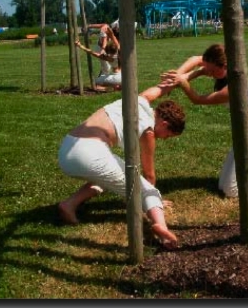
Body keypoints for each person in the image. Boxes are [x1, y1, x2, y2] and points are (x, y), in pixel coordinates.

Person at [57, 84, 186, 249]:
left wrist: (179, 80)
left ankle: (69, 205)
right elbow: (149, 174)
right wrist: (150, 198)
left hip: (67, 149)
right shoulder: (149, 131)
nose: (165, 139)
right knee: (147, 190)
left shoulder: (140, 101)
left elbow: (155, 91)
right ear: (164, 124)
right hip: (89, 154)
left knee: (107, 174)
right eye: (168, 135)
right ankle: (162, 229)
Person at [158, 43, 248, 198]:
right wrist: (178, 76)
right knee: (222, 184)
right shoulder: (227, 69)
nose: (209, 74)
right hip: (243, 136)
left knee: (230, 190)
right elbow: (196, 60)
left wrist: (183, 82)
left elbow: (198, 100)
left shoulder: (234, 87)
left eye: (212, 71)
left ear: (225, 66)